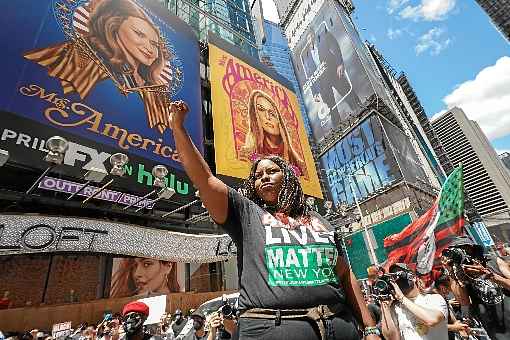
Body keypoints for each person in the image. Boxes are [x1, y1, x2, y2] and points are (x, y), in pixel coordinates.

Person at [168, 100, 380, 340]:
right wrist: (178, 127)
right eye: (258, 176)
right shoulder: (246, 214)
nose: (264, 178)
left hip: (340, 326)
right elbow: (204, 179)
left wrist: (370, 328)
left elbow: (344, 274)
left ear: (288, 176)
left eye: (271, 171)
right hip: (273, 328)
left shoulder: (320, 220)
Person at [23, 0, 174, 133]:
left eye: (154, 44)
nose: (149, 47)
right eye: (139, 34)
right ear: (113, 27)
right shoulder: (81, 55)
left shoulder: (155, 89)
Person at [302, 24, 362, 126]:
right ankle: (338, 127)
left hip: (334, 72)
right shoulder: (307, 59)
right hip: (323, 83)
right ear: (307, 41)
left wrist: (339, 63)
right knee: (331, 107)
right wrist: (314, 92)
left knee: (347, 92)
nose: (310, 39)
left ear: (314, 34)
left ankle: (360, 109)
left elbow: (335, 47)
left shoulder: (323, 39)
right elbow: (310, 75)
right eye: (308, 38)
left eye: (311, 35)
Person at [240, 90, 306, 175]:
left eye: (272, 114)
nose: (267, 117)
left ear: (280, 122)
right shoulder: (247, 154)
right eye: (261, 109)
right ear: (254, 115)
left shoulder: (298, 164)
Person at [380, 263, 448, 340]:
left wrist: (402, 298)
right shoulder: (395, 307)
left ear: (413, 277)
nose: (398, 279)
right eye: (394, 277)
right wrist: (384, 306)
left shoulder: (434, 298)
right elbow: (391, 337)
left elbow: (432, 320)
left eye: (400, 274)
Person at [110, 258, 180, 298]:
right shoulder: (127, 301)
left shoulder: (180, 300)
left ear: (168, 266)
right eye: (135, 266)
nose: (137, 274)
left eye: (147, 264)